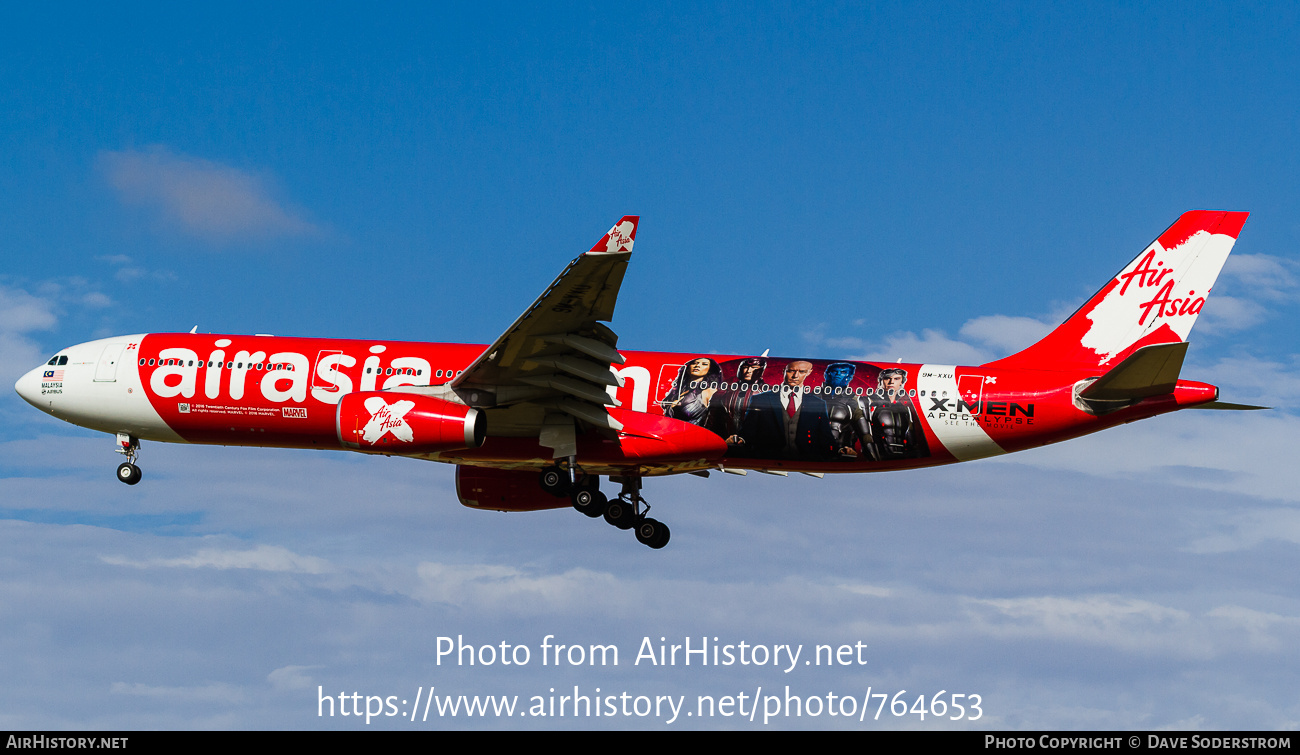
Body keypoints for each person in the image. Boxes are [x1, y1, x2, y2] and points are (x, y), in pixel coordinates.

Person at [733, 360, 835, 460]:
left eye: (801, 372)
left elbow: (825, 436)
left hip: (805, 458)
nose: (795, 376)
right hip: (769, 457)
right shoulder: (760, 399)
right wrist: (741, 440)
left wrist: (839, 451)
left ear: (809, 372)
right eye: (791, 371)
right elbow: (749, 430)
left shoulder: (818, 403)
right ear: (784, 371)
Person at [867, 368, 929, 459]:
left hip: (901, 454)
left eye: (896, 379)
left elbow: (910, 436)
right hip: (880, 454)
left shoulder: (905, 408)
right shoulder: (871, 404)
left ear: (901, 382)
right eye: (887, 378)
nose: (891, 382)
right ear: (881, 381)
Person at [821, 362, 875, 460]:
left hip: (842, 453)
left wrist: (873, 459)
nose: (837, 374)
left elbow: (865, 435)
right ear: (826, 374)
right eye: (834, 371)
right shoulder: (812, 398)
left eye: (842, 372)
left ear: (849, 377)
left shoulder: (853, 403)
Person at [711, 357, 767, 441]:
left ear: (761, 371)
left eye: (754, 368)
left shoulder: (767, 393)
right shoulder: (726, 391)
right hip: (726, 440)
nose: (748, 371)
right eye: (745, 367)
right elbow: (713, 419)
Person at [659, 357, 722, 427]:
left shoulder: (709, 391)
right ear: (688, 369)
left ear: (709, 371)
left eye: (704, 364)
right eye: (694, 363)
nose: (697, 365)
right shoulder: (679, 392)